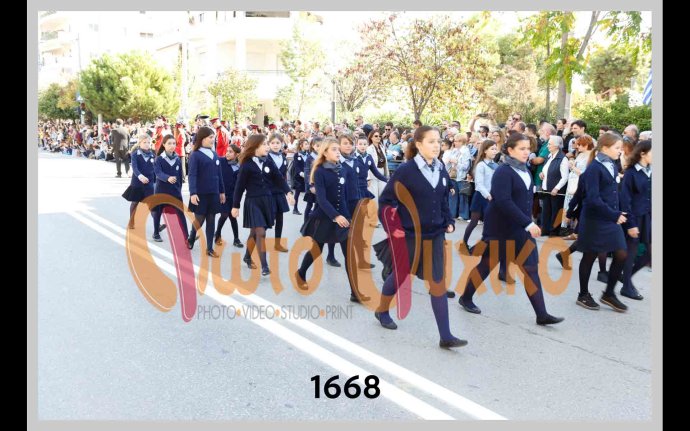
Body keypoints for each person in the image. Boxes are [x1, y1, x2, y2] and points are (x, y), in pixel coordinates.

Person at [373, 126, 467, 348]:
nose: (437, 145)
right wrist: (392, 228)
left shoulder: (441, 168)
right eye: (431, 141)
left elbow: (442, 200)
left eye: (438, 141)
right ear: (418, 144)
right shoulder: (406, 171)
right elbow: (386, 202)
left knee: (437, 283)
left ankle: (446, 336)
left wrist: (449, 221)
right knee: (400, 277)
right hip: (409, 236)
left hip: (435, 236)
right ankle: (382, 310)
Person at [457, 133, 564, 326]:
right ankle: (465, 297)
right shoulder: (503, 172)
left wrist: (526, 223)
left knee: (531, 269)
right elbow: (503, 201)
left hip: (521, 229)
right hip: (501, 228)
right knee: (487, 264)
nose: (526, 152)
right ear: (510, 150)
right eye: (522, 148)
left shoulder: (525, 170)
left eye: (528, 148)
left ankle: (542, 314)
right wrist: (528, 223)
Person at [295, 137, 371, 303]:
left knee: (348, 254)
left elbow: (344, 196)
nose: (338, 152)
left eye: (338, 149)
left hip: (343, 217)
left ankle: (355, 293)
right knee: (317, 250)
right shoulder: (320, 171)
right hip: (325, 217)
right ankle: (300, 273)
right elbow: (321, 199)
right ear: (325, 152)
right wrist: (335, 216)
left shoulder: (342, 169)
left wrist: (348, 216)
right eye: (334, 149)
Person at [574, 132, 629, 312]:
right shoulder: (594, 168)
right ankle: (583, 294)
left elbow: (613, 192)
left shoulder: (612, 164)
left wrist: (619, 211)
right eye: (617, 148)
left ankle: (609, 294)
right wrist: (614, 214)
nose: (620, 151)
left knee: (622, 253)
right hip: (595, 219)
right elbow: (592, 199)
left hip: (610, 217)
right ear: (605, 148)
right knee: (590, 256)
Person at [232, 134, 295, 276]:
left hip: (267, 201)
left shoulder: (268, 162)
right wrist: (235, 206)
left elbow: (279, 179)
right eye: (264, 144)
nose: (267, 147)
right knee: (261, 232)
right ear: (255, 147)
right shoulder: (246, 164)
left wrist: (288, 192)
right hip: (253, 202)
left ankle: (247, 256)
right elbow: (239, 187)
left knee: (254, 233)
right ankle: (265, 266)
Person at [619, 139, 652, 300]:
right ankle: (626, 286)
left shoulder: (652, 171)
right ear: (643, 153)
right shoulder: (631, 173)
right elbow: (625, 200)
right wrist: (631, 223)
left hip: (649, 216)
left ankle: (626, 277)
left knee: (651, 254)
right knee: (631, 252)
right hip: (634, 217)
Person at [186, 126, 226, 257]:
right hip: (200, 193)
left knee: (211, 219)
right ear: (202, 139)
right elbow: (192, 175)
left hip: (213, 193)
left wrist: (222, 192)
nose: (213, 140)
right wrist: (193, 193)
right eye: (211, 137)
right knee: (199, 219)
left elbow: (219, 174)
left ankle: (209, 248)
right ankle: (191, 237)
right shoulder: (195, 155)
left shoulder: (214, 154)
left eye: (213, 137)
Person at [151, 135, 188, 243]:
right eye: (169, 143)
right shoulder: (159, 159)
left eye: (174, 143)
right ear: (164, 145)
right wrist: (167, 178)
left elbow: (180, 176)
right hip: (161, 190)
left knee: (181, 213)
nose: (172, 146)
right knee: (158, 212)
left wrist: (179, 189)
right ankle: (156, 233)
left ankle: (187, 237)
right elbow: (158, 173)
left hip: (175, 191)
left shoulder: (177, 159)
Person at [122, 133, 156, 230]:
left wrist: (156, 181)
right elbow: (135, 168)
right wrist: (141, 177)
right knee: (135, 203)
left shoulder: (152, 155)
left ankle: (157, 225)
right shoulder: (135, 154)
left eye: (148, 142)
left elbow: (155, 169)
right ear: (139, 143)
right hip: (137, 182)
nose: (147, 144)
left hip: (149, 183)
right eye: (144, 142)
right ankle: (131, 222)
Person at [214, 144, 243, 248]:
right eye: (227, 151)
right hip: (223, 194)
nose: (227, 153)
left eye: (230, 152)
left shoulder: (240, 166)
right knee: (224, 214)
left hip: (234, 195)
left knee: (233, 216)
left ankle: (236, 239)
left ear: (236, 154)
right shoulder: (221, 161)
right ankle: (217, 235)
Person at [539, 136, 569, 236]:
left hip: (556, 190)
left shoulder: (563, 158)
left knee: (556, 211)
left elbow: (565, 177)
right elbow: (545, 170)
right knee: (546, 210)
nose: (548, 146)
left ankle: (554, 231)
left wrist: (557, 188)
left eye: (550, 144)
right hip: (546, 188)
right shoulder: (549, 156)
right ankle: (545, 230)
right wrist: (542, 174)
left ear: (556, 146)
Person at [266, 134, 290, 252]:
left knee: (280, 218)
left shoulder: (284, 158)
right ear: (269, 144)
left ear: (282, 144)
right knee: (267, 219)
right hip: (268, 192)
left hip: (280, 192)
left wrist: (287, 192)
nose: (275, 145)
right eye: (273, 143)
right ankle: (257, 241)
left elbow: (284, 176)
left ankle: (277, 243)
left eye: (278, 143)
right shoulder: (266, 158)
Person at [291, 139, 309, 215]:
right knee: (297, 193)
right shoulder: (297, 155)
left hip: (307, 176)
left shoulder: (309, 154)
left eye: (308, 144)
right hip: (298, 176)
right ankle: (295, 208)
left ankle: (309, 209)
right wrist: (301, 173)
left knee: (309, 193)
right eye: (306, 144)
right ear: (301, 146)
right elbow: (296, 166)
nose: (307, 145)